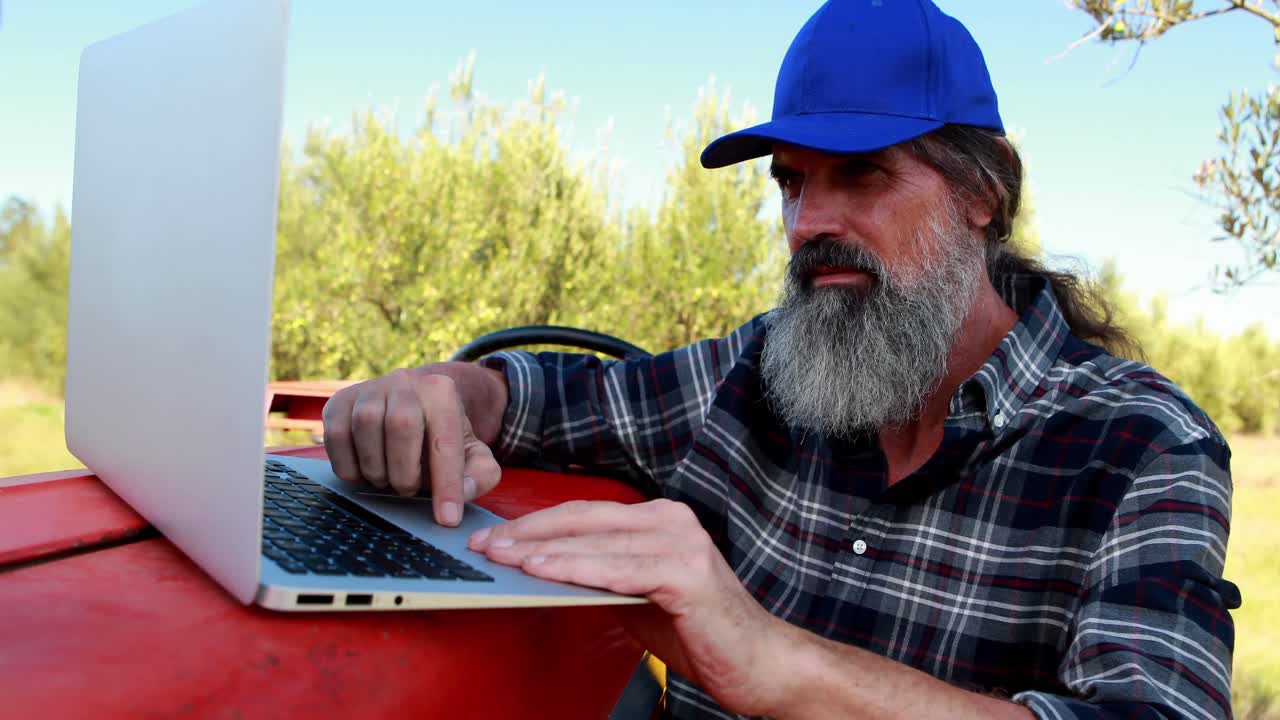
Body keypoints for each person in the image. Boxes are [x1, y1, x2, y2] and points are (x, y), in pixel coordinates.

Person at [321, 1, 1240, 718]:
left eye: (862, 173)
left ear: (984, 190)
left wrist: (771, 660)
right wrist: (435, 392)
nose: (808, 225)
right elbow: (546, 401)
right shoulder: (759, 372)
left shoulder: (1144, 448)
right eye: (792, 182)